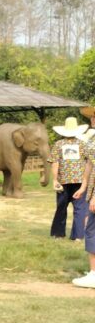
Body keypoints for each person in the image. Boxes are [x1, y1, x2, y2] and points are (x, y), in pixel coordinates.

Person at [49, 115, 89, 240]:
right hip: (80, 182)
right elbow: (89, 163)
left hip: (63, 181)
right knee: (80, 209)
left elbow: (55, 163)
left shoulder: (58, 144)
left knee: (61, 207)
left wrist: (55, 180)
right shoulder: (83, 144)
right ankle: (78, 236)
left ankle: (58, 234)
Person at [72, 105, 95, 288]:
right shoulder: (92, 141)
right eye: (92, 117)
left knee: (91, 231)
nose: (92, 120)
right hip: (91, 191)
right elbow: (89, 164)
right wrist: (84, 185)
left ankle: (94, 274)